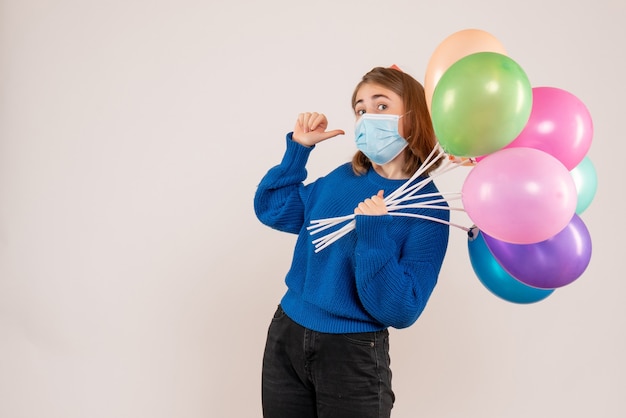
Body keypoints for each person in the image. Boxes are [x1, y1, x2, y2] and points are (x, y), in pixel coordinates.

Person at [254, 66, 450, 418]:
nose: (367, 118)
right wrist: (298, 151)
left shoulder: (429, 210)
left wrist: (374, 236)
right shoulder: (344, 178)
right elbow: (273, 209)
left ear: (414, 116)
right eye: (360, 110)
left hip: (353, 352)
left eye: (380, 106)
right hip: (287, 333)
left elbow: (401, 310)